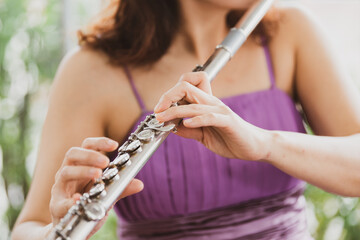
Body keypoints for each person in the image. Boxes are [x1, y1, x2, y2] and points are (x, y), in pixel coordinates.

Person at [12, 0, 360, 239]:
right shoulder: (90, 71)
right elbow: (30, 226)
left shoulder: (289, 32)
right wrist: (56, 228)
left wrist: (266, 143)